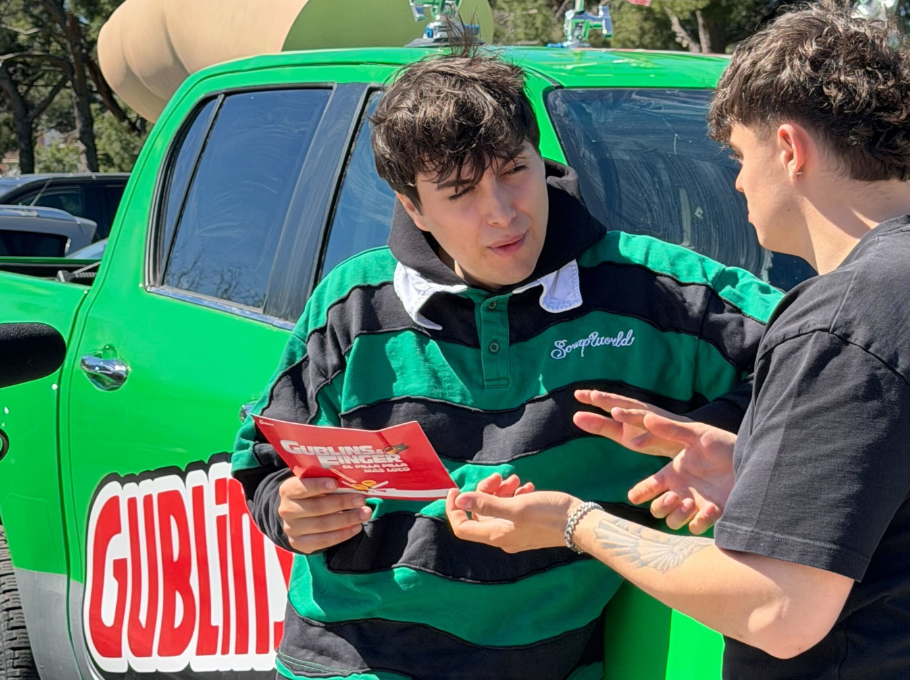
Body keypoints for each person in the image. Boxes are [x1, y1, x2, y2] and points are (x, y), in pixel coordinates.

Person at [446, 5, 910, 680]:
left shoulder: (849, 318)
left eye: (738, 154)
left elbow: (777, 610)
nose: (736, 182)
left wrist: (573, 522)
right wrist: (759, 462)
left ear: (788, 148)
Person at [230, 47, 780, 680]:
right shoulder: (349, 306)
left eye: (515, 170)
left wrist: (718, 434)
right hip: (348, 660)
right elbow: (263, 458)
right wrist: (288, 509)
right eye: (460, 192)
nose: (502, 211)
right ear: (413, 207)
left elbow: (825, 358)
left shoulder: (658, 291)